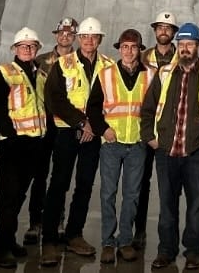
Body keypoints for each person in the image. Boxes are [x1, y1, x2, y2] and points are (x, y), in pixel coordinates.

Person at [140, 23, 199, 270]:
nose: (185, 48)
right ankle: (166, 250)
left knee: (197, 204)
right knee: (167, 204)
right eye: (182, 44)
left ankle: (193, 251)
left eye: (190, 44)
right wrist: (149, 136)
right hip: (166, 150)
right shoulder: (165, 73)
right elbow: (148, 108)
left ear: (198, 46)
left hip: (197, 151)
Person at [40, 17, 108, 266]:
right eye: (85, 36)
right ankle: (49, 240)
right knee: (59, 184)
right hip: (68, 132)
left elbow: (109, 100)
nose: (89, 41)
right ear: (79, 39)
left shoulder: (108, 66)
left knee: (85, 185)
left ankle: (74, 235)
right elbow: (54, 99)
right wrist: (81, 122)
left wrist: (93, 126)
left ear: (100, 39)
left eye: (94, 37)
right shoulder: (63, 63)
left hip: (93, 135)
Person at [86, 29, 156, 264]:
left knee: (132, 195)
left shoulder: (151, 75)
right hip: (111, 144)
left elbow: (156, 108)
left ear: (139, 50)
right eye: (125, 47)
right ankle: (108, 242)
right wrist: (103, 129)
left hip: (137, 144)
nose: (129, 51)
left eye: (133, 47)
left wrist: (148, 135)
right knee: (108, 193)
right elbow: (93, 108)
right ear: (119, 49)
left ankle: (125, 240)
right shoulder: (106, 74)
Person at [0, 27, 48, 269]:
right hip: (12, 145)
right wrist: (12, 136)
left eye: (32, 46)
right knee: (8, 197)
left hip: (34, 144)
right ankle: (1, 249)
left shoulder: (40, 76)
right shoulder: (4, 73)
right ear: (15, 49)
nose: (27, 49)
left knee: (19, 196)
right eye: (23, 46)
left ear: (37, 49)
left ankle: (10, 240)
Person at [26, 17, 78, 245]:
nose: (65, 37)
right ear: (56, 35)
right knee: (39, 174)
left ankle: (57, 219)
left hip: (65, 126)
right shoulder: (40, 61)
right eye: (61, 33)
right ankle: (35, 222)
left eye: (69, 33)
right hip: (44, 125)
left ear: (74, 37)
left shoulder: (79, 62)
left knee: (61, 176)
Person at [136, 10, 180, 249]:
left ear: (173, 32)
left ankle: (168, 238)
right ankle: (139, 231)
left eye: (168, 28)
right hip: (145, 128)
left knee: (168, 186)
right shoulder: (142, 57)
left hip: (170, 129)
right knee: (140, 183)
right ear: (154, 31)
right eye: (160, 27)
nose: (164, 31)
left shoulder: (182, 58)